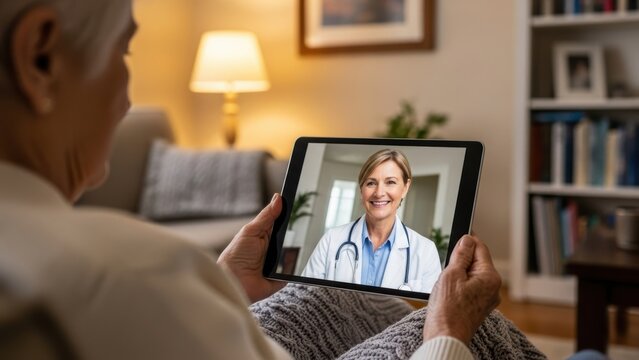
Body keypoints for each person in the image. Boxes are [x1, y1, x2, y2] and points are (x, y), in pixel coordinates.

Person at [0, 0, 546, 359]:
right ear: (40, 57)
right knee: (477, 328)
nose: (126, 95)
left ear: (404, 192)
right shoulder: (128, 275)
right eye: (125, 50)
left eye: (392, 184)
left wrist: (224, 287)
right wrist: (446, 334)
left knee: (334, 297)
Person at [302, 149, 441, 293]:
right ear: (361, 189)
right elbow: (302, 299)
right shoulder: (331, 240)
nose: (379, 193)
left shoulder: (426, 251)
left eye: (390, 182)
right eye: (371, 183)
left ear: (405, 188)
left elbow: (429, 313)